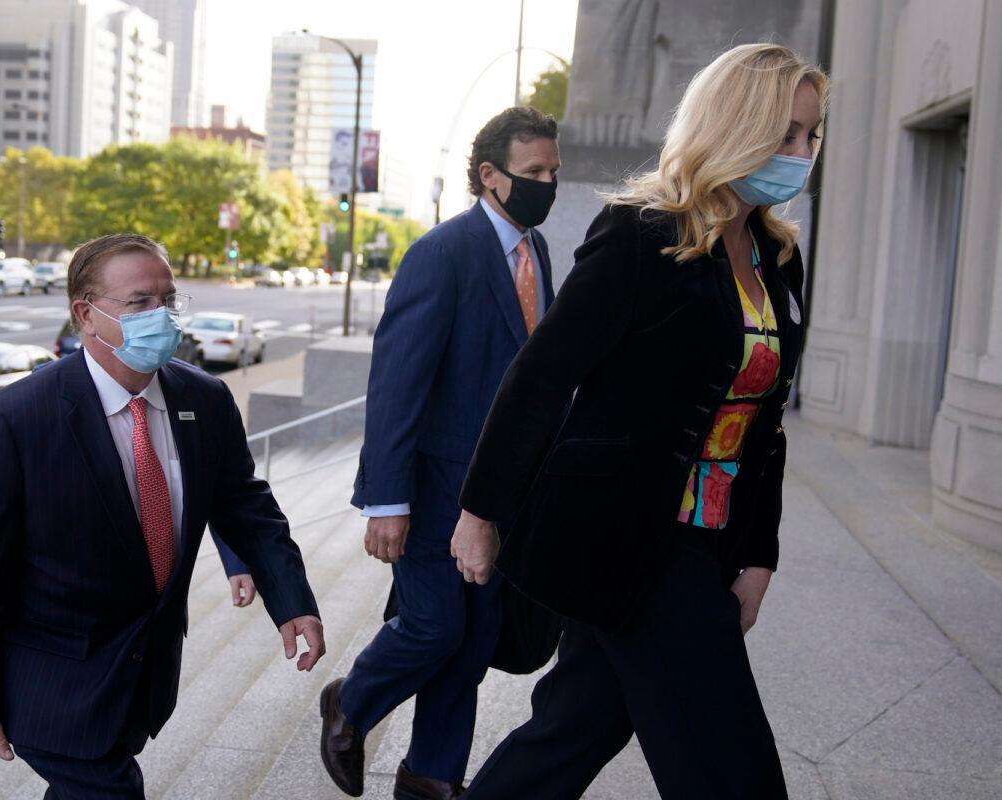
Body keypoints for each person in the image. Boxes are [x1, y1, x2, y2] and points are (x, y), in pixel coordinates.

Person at [449, 44, 827, 799]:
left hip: (708, 540)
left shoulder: (776, 256)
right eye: (784, 133)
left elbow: (765, 424)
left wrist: (759, 554)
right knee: (732, 768)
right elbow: (542, 376)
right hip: (631, 535)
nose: (800, 153)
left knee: (573, 729)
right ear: (733, 127)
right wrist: (480, 512)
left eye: (810, 136)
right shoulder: (642, 232)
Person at [0, 233, 325, 798]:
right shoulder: (12, 421)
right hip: (49, 688)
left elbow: (247, 509)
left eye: (169, 299)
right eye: (140, 302)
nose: (161, 315)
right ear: (86, 315)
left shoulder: (206, 400)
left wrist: (293, 603)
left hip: (142, 680)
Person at [319, 107, 560, 800]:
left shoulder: (535, 252)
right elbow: (396, 384)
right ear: (490, 175)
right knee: (434, 627)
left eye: (553, 171)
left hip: (499, 494)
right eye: (534, 172)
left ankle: (432, 779)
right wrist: (386, 502)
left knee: (473, 644)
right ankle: (351, 702)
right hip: (430, 495)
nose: (547, 183)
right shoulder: (442, 252)